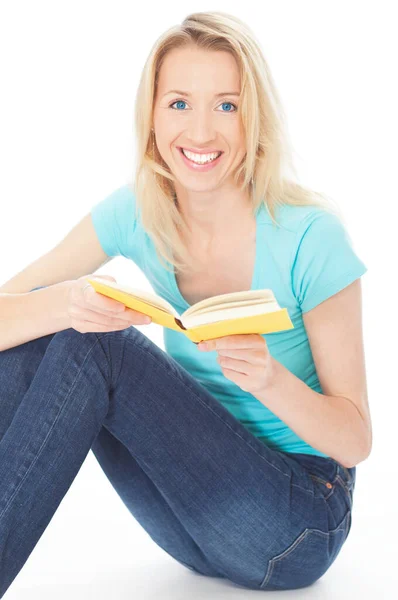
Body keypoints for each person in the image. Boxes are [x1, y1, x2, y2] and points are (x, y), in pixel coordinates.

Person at [0, 11, 371, 595]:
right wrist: (65, 304)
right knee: (50, 323)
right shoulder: (137, 213)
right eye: (179, 103)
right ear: (151, 116)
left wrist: (270, 379)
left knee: (99, 348)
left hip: (297, 525)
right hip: (190, 528)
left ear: (254, 119)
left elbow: (356, 441)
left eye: (226, 105)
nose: (200, 133)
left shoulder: (309, 238)